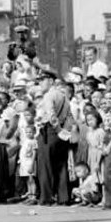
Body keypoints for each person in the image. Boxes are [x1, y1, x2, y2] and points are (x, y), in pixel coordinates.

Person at [33, 70, 72, 205]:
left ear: (50, 80)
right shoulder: (63, 95)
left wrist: (58, 129)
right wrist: (64, 131)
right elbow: (69, 116)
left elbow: (51, 115)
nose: (40, 83)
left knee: (45, 167)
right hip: (61, 132)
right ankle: (63, 197)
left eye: (42, 80)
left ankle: (46, 197)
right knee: (61, 166)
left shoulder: (49, 95)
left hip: (50, 131)